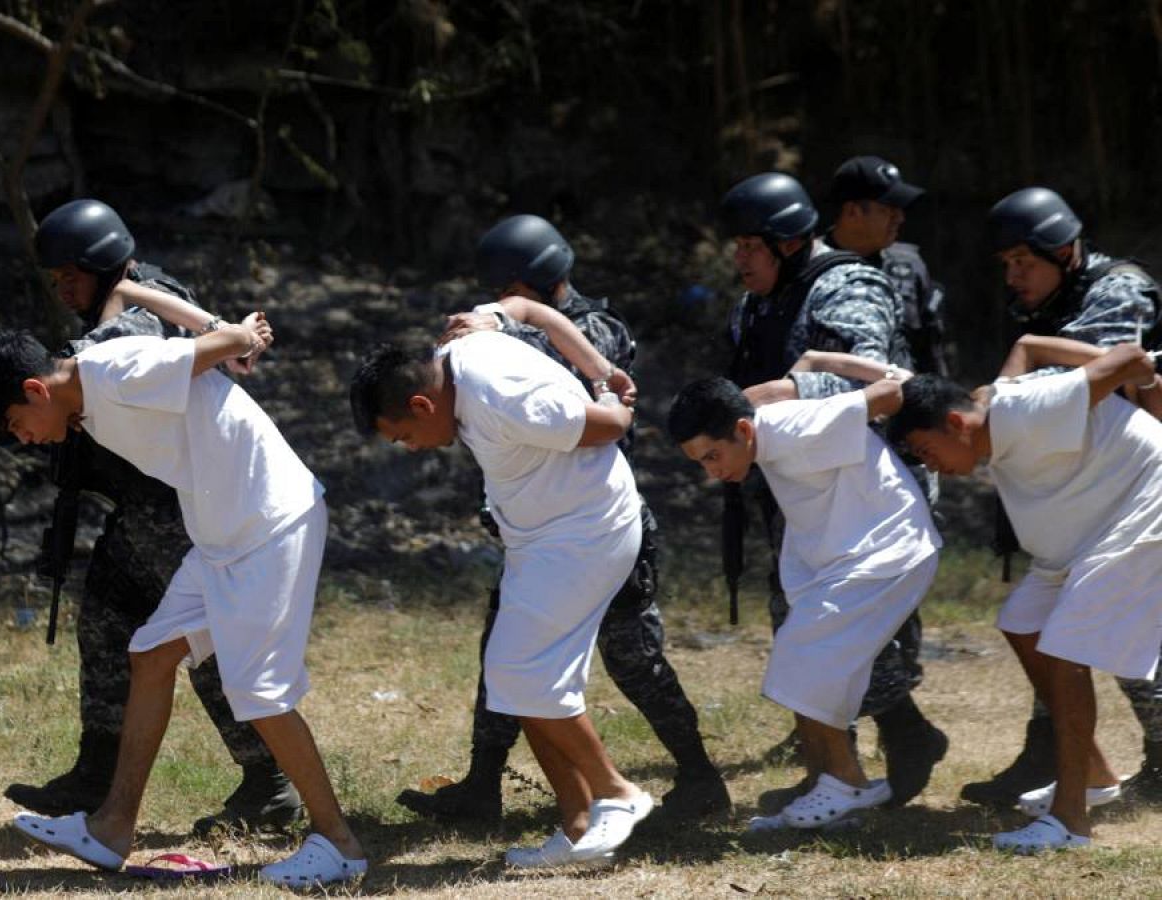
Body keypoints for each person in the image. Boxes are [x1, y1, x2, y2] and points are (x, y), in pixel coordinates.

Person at [0, 326, 368, 888]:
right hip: (221, 538)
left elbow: (207, 348)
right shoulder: (88, 393)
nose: (23, 439)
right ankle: (111, 829)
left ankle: (339, 844)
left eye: (13, 425)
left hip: (271, 524)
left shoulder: (115, 372)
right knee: (150, 655)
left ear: (35, 389)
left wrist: (242, 338)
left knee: (259, 693)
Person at [395, 214, 728, 825]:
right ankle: (483, 783)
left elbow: (577, 404)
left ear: (522, 281)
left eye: (504, 292)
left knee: (634, 656)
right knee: (510, 654)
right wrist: (497, 320)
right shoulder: (516, 322)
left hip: (594, 520)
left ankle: (698, 773)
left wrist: (497, 325)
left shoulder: (598, 328)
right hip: (540, 524)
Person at [4, 198, 298, 835]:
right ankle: (98, 773)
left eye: (70, 278)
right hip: (141, 508)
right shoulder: (127, 300)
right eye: (55, 282)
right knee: (108, 624)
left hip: (184, 512)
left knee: (204, 646)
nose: (64, 291)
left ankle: (269, 780)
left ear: (101, 263)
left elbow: (105, 358)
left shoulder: (139, 309)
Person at [352, 333, 654, 870]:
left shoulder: (497, 395)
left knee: (523, 672)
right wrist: (593, 363)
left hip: (585, 532)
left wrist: (611, 388)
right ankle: (579, 828)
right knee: (515, 681)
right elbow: (525, 309)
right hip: (542, 539)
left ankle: (618, 793)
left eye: (404, 436)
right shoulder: (457, 365)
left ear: (423, 404)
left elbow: (610, 428)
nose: (411, 447)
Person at [718, 173, 948, 808]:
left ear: (788, 244)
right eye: (736, 246)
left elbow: (870, 385)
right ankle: (833, 768)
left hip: (863, 496)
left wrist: (772, 397)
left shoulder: (847, 285)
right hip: (797, 488)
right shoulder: (755, 302)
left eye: (750, 246)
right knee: (798, 621)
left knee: (849, 632)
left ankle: (900, 739)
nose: (739, 259)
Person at [888, 344, 1162, 852]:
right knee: (1023, 622)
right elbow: (1026, 345)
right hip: (1084, 534)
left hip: (1143, 512)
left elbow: (1128, 358)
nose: (932, 465)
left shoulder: (1032, 406)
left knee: (1063, 652)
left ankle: (1071, 822)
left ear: (956, 423)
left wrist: (1151, 387)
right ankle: (1096, 774)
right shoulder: (994, 413)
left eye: (927, 451)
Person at [956, 186, 1162, 809]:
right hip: (1097, 490)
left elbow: (1081, 383)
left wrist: (1004, 386)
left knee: (1118, 638)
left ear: (1065, 249)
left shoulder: (1118, 288)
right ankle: (1065, 756)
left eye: (1025, 261)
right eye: (1006, 265)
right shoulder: (1053, 299)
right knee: (1058, 629)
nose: (1014, 276)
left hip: (1138, 485)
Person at [668, 370, 939, 830]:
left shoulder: (798, 423)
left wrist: (811, 366)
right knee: (806, 666)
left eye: (713, 456)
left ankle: (847, 786)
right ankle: (827, 786)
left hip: (888, 549)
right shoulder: (759, 434)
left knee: (803, 659)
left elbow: (890, 391)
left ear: (744, 431)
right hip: (843, 554)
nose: (712, 471)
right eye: (701, 463)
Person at [821, 156, 948, 376]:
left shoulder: (909, 266)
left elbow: (931, 353)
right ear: (852, 211)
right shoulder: (810, 267)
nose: (900, 217)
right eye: (888, 209)